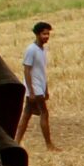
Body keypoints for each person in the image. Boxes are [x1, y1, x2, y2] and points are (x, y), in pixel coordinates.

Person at [16, 21, 56, 149]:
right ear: (38, 34)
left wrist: (46, 89)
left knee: (26, 114)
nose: (47, 36)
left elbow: (41, 71)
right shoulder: (31, 50)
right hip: (34, 88)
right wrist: (31, 91)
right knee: (44, 113)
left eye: (48, 34)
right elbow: (27, 70)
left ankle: (16, 142)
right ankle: (49, 144)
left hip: (39, 88)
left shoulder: (43, 49)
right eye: (44, 34)